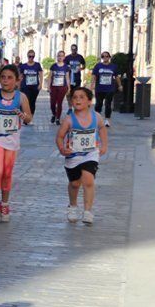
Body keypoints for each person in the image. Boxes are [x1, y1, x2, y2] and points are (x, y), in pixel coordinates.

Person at [0, 65, 32, 223]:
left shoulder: (21, 97)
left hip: (12, 138)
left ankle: (5, 203)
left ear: (17, 80)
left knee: (7, 173)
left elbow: (29, 118)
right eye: (3, 77)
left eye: (10, 78)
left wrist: (23, 116)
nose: (5, 80)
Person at [56, 87, 109, 226]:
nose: (78, 100)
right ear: (71, 101)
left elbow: (102, 128)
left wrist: (104, 145)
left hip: (90, 153)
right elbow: (60, 136)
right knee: (74, 184)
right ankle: (73, 206)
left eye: (81, 97)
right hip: (73, 155)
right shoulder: (69, 120)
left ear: (89, 101)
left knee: (88, 180)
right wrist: (62, 149)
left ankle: (88, 211)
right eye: (75, 97)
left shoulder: (96, 117)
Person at [91, 51, 122, 128]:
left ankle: (107, 120)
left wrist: (120, 85)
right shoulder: (98, 66)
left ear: (109, 57)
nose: (105, 58)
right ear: (102, 58)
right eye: (103, 56)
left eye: (106, 56)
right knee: (98, 104)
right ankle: (97, 120)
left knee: (108, 104)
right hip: (99, 88)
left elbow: (117, 77)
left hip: (110, 88)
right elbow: (94, 76)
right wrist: (92, 86)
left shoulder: (113, 66)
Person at [18, 50, 43, 116]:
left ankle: (31, 116)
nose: (31, 58)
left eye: (33, 56)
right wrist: (19, 86)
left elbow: (41, 74)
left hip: (35, 87)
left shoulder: (37, 65)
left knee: (32, 102)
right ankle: (26, 116)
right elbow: (20, 76)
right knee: (26, 101)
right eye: (30, 56)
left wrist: (40, 84)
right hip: (25, 87)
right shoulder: (23, 66)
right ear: (27, 56)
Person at [48, 50, 70, 125]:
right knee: (52, 103)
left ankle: (58, 118)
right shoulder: (53, 66)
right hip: (53, 87)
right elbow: (50, 77)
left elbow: (67, 78)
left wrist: (69, 87)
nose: (60, 57)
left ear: (64, 57)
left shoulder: (66, 67)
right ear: (57, 57)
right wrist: (48, 87)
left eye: (61, 56)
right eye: (59, 56)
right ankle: (54, 114)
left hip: (62, 87)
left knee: (59, 103)